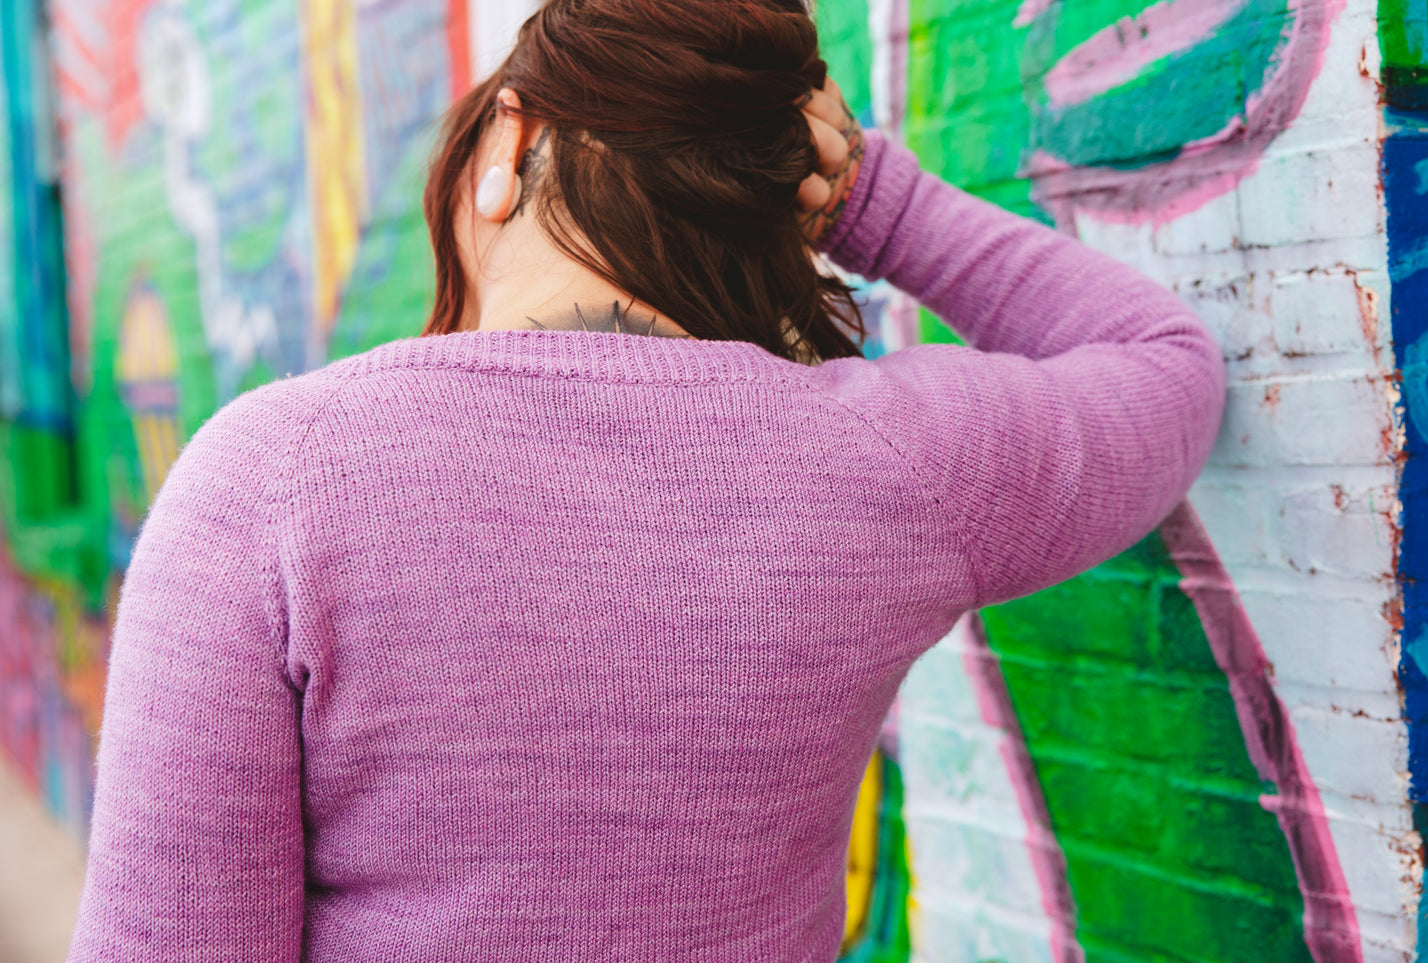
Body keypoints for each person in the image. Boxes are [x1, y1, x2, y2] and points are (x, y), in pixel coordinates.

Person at [66, 0, 1225, 960]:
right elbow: (1164, 369)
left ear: (506, 148)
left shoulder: (269, 478)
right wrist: (876, 200)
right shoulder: (890, 459)